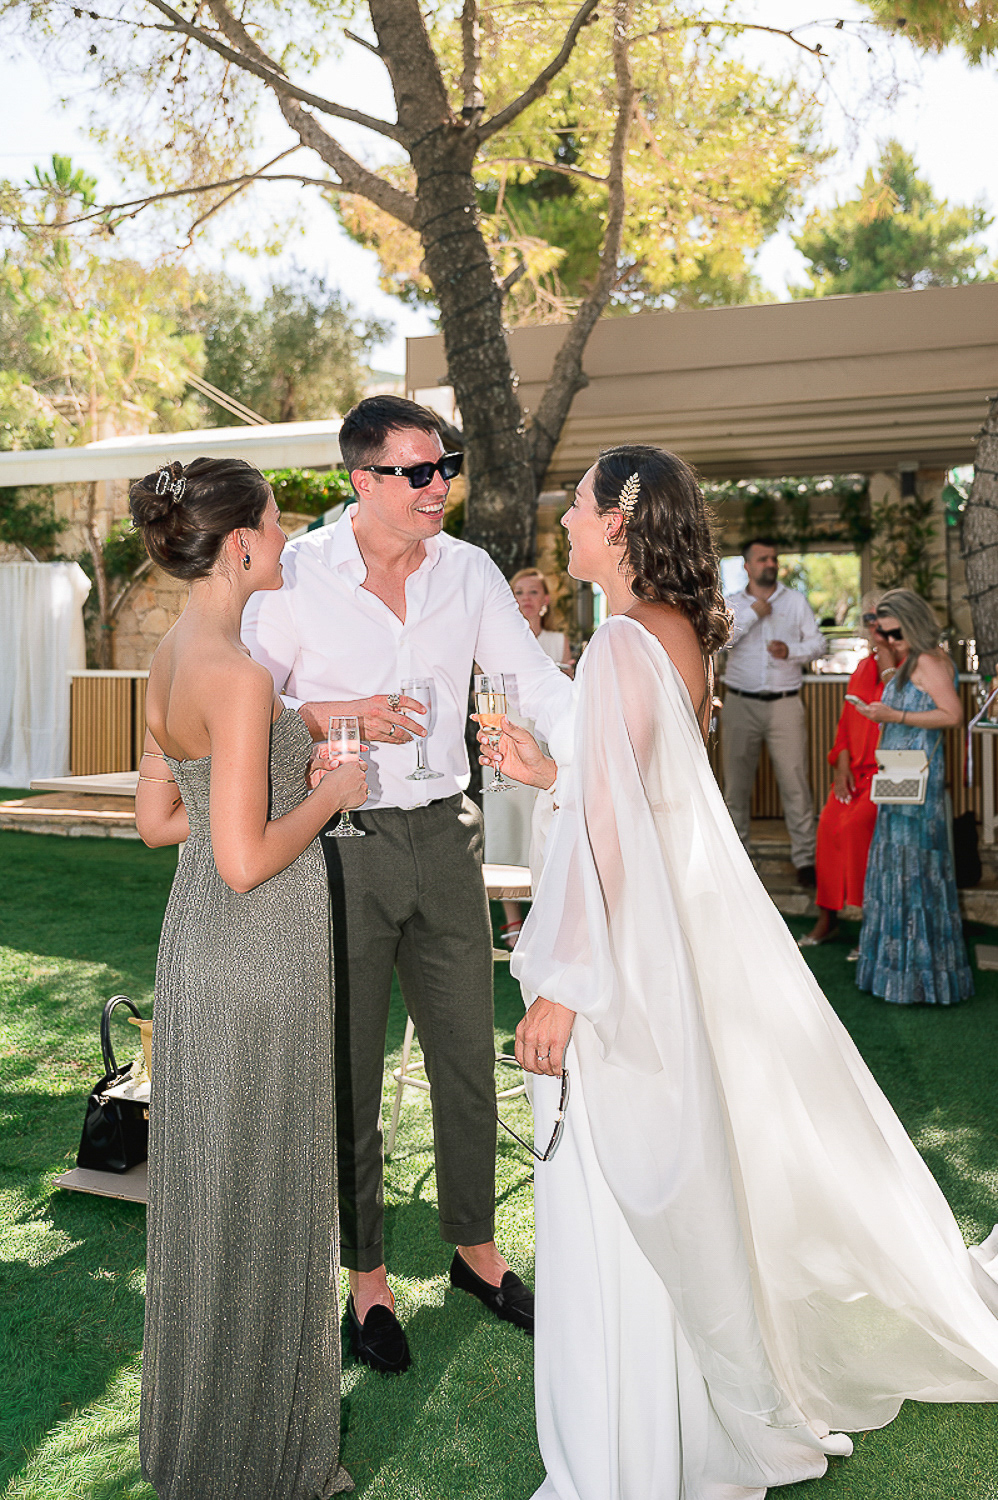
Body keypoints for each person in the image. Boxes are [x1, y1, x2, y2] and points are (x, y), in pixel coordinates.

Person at [480, 445, 998, 1500]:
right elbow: (639, 795)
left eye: (577, 506)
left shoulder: (619, 642)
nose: (564, 522)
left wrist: (563, 982)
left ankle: (634, 1442)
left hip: (618, 961)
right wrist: (552, 770)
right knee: (665, 1175)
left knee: (623, 1188)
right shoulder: (672, 632)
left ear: (617, 523)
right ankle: (671, 1417)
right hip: (656, 941)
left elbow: (617, 828)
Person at [242, 395, 573, 1375]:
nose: (440, 487)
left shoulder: (469, 571)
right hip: (338, 843)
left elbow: (530, 680)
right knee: (349, 1066)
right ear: (363, 480)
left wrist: (623, 715)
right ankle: (367, 1278)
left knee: (466, 1054)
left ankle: (475, 1251)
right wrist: (341, 712)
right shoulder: (295, 573)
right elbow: (249, 705)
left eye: (445, 469)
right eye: (418, 472)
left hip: (446, 834)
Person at [130, 457, 366, 1500]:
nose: (284, 537)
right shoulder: (238, 674)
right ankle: (261, 1463)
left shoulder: (168, 655)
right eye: (275, 522)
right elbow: (242, 859)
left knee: (212, 1201)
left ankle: (204, 1447)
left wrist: (270, 781)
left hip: (196, 953)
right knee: (265, 1196)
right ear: (238, 544)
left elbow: (159, 821)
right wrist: (330, 795)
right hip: (258, 953)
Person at [852, 589, 972, 1005]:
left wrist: (894, 715)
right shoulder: (912, 660)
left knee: (915, 874)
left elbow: (953, 715)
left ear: (914, 623)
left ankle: (918, 980)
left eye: (894, 632)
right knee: (898, 870)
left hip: (917, 782)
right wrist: (880, 712)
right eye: (883, 633)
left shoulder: (928, 661)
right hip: (900, 775)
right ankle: (900, 976)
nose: (888, 639)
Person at [722, 537, 826, 885]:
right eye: (762, 559)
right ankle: (738, 863)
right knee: (736, 787)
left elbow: (819, 643)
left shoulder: (795, 601)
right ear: (747, 566)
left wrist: (791, 650)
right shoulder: (732, 603)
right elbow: (720, 640)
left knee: (795, 783)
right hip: (740, 703)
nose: (770, 564)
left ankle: (806, 860)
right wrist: (754, 613)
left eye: (773, 559)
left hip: (785, 704)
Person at [484, 568, 572, 947]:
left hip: (545, 744)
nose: (525, 599)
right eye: (518, 592)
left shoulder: (557, 640)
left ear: (545, 600)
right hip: (505, 737)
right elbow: (483, 689)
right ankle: (511, 920)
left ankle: (545, 913)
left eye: (533, 592)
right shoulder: (495, 643)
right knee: (505, 824)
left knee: (547, 822)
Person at [799, 595, 890, 951]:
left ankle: (872, 922)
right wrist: (840, 766)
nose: (873, 624)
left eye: (880, 617)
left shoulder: (905, 667)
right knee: (828, 824)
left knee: (856, 827)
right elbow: (846, 724)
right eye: (868, 618)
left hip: (887, 774)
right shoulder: (863, 667)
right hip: (854, 773)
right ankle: (829, 918)